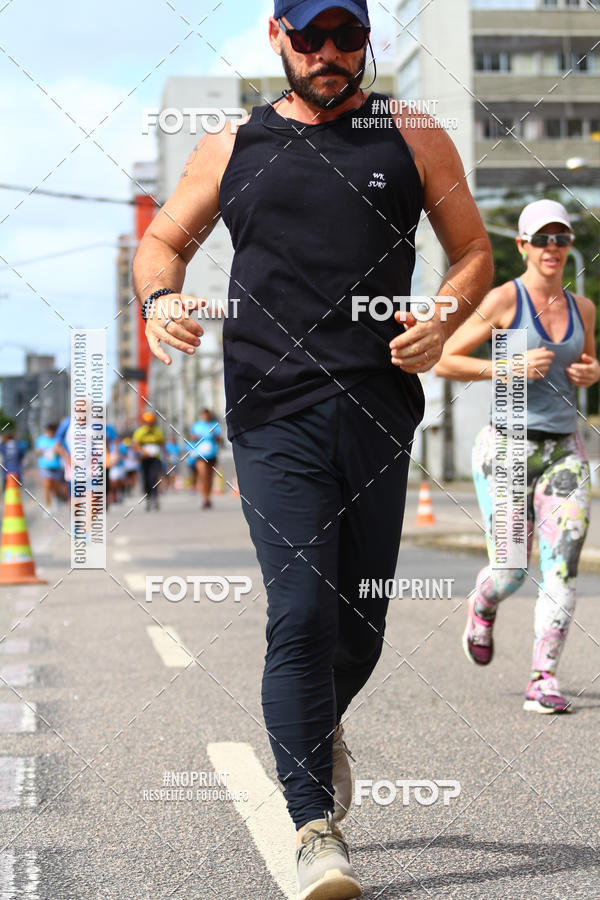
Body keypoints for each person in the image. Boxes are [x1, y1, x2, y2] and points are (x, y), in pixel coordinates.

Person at [133, 1, 493, 895]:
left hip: (377, 409)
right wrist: (159, 301)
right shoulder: (232, 145)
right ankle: (313, 827)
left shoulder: (411, 135)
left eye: (349, 38)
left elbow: (473, 252)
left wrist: (441, 315)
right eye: (311, 38)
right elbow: (163, 242)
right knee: (300, 612)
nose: (330, 55)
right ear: (276, 37)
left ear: (365, 42)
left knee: (360, 627)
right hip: (270, 413)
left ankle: (314, 725)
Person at [435, 199, 599, 715]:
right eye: (543, 239)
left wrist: (590, 374)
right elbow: (444, 360)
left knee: (562, 567)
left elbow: (588, 361)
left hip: (563, 451)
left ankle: (543, 678)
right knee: (510, 572)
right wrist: (507, 366)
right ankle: (482, 604)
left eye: (562, 239)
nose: (554, 248)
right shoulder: (505, 300)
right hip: (505, 446)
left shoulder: (583, 307)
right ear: (522, 245)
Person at [132, 412, 165, 511]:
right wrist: (142, 452)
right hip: (144, 459)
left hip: (155, 459)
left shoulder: (157, 432)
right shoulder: (140, 432)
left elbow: (162, 443)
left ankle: (155, 498)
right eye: (147, 422)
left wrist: (162, 454)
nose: (149, 424)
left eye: (151, 422)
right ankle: (148, 498)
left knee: (153, 478)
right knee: (146, 480)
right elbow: (135, 445)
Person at [190, 409, 222, 508]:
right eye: (204, 415)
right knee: (203, 475)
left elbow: (220, 440)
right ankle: (204, 497)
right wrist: (197, 436)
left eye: (207, 415)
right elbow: (192, 437)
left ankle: (208, 497)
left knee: (209, 477)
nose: (205, 417)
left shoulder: (215, 425)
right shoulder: (197, 425)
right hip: (200, 455)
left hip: (212, 454)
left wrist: (214, 435)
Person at [35, 424, 64, 508]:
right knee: (47, 486)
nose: (51, 433)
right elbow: (36, 453)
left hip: (56, 466)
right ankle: (48, 507)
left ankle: (56, 499)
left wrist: (58, 450)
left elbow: (62, 452)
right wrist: (40, 451)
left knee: (55, 487)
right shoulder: (41, 440)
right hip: (45, 466)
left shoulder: (57, 440)